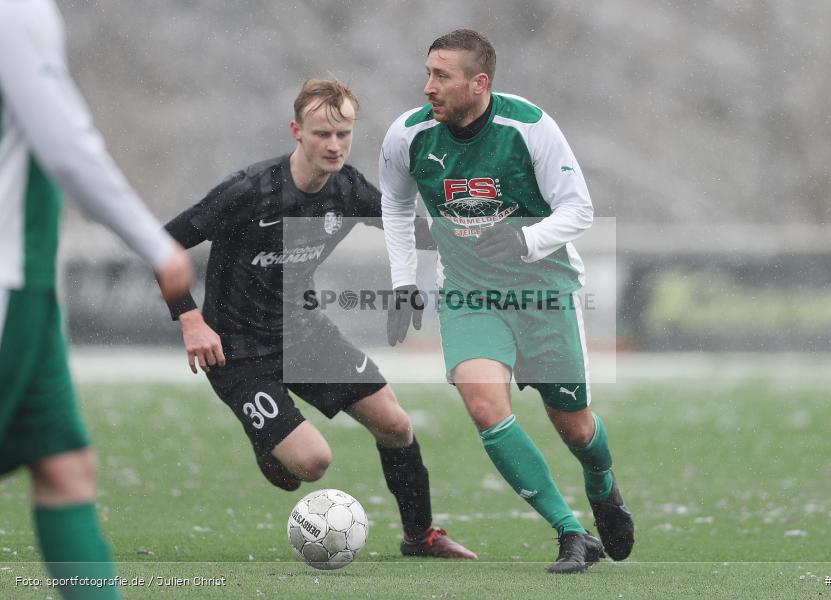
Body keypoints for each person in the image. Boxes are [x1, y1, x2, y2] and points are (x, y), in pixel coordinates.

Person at [159, 78, 475, 560]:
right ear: (297, 132)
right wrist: (190, 320)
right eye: (322, 134)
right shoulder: (250, 190)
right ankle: (270, 440)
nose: (334, 145)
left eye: (343, 134)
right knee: (312, 463)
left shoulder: (347, 189)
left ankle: (421, 537)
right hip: (237, 350)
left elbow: (411, 233)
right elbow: (162, 246)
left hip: (303, 333)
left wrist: (478, 242)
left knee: (395, 424)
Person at [379, 29, 635, 574]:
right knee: (484, 407)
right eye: (427, 73)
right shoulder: (407, 136)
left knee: (577, 429)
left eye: (441, 76)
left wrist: (526, 239)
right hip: (470, 295)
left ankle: (602, 483)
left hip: (544, 292)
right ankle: (571, 532)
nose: (428, 87)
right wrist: (404, 282)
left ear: (480, 82)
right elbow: (396, 208)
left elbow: (578, 209)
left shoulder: (530, 126)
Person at [0, 1, 194, 598]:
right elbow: (66, 146)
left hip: (28, 286)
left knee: (64, 467)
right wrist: (155, 244)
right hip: (10, 280)